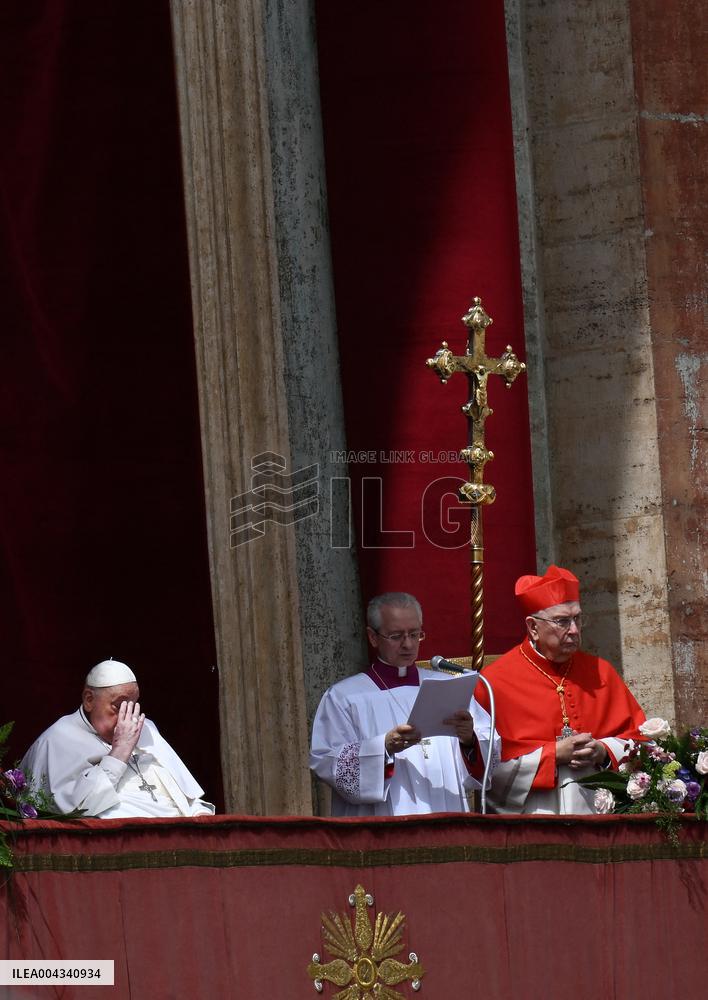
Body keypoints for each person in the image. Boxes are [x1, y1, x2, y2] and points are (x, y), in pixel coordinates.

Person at [474, 565, 646, 814]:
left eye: (577, 618)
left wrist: (603, 751)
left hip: (600, 814)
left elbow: (641, 741)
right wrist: (553, 755)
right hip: (534, 817)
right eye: (562, 621)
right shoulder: (494, 682)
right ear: (533, 627)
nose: (574, 630)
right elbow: (485, 771)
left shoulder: (601, 672)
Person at [310, 592, 498, 816]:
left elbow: (491, 750)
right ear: (373, 637)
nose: (408, 644)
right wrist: (384, 747)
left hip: (445, 811)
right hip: (383, 822)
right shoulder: (344, 697)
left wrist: (469, 740)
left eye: (414, 634)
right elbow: (327, 763)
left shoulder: (448, 686)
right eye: (396, 636)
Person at [21, 659, 214, 818]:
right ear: (89, 700)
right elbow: (74, 809)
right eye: (119, 706)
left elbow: (184, 792)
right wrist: (120, 751)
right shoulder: (59, 738)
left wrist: (198, 811)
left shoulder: (144, 727)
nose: (127, 718)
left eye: (133, 705)